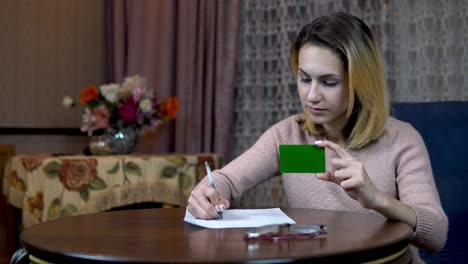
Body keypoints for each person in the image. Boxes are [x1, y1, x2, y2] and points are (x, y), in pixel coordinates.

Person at [187, 12, 447, 262]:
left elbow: (436, 234)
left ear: (360, 82)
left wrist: (376, 199)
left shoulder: (401, 141)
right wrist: (209, 192)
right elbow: (228, 181)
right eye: (304, 79)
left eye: (329, 82)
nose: (311, 96)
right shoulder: (289, 138)